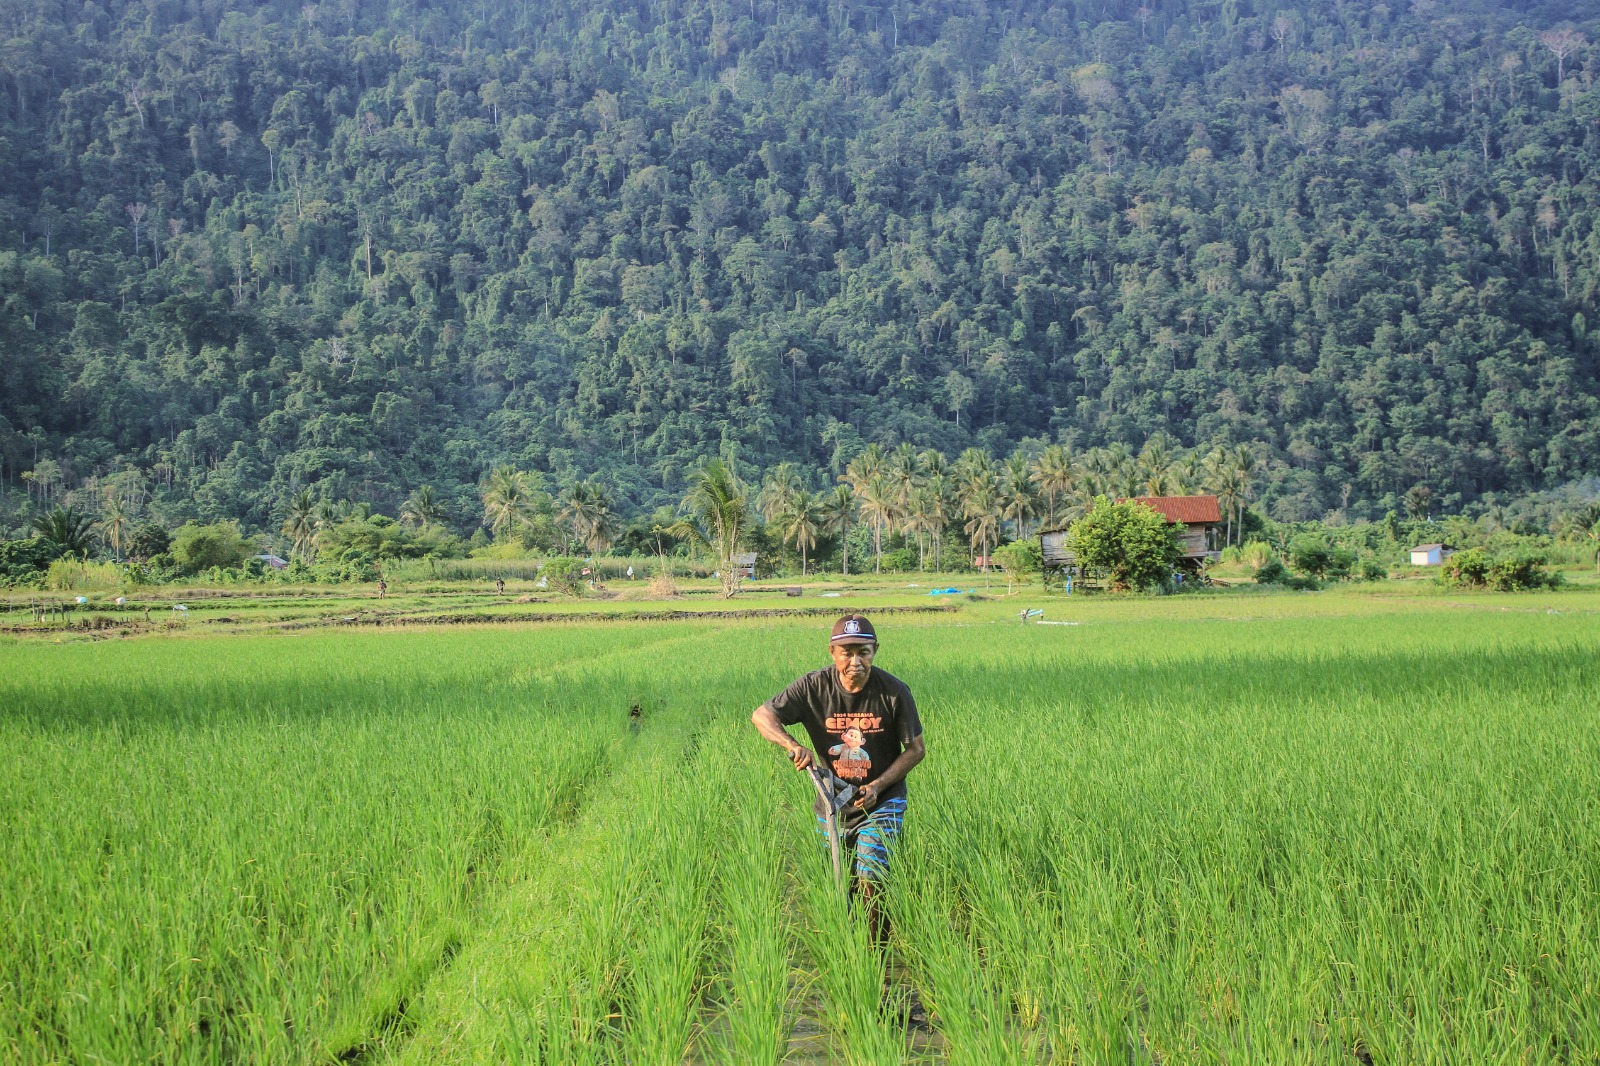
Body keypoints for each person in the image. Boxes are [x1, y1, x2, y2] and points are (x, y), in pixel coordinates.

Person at [751, 614, 925, 949]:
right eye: (847, 652)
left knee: (872, 874)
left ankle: (874, 955)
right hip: (832, 800)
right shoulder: (813, 687)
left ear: (875, 651)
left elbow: (916, 749)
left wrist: (878, 786)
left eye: (864, 651)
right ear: (833, 652)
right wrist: (792, 744)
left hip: (882, 798)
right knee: (839, 878)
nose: (855, 661)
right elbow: (762, 715)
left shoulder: (894, 692)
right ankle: (846, 945)